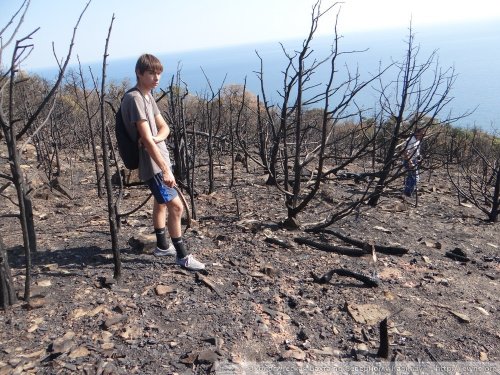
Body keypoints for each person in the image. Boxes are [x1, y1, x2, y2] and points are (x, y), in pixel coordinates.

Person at [121, 54, 205, 271]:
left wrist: (156, 138)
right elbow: (145, 139)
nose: (156, 77)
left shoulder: (147, 96)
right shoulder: (135, 99)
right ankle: (182, 256)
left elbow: (164, 128)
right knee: (176, 207)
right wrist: (165, 168)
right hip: (153, 164)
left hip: (160, 157)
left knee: (161, 203)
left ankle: (161, 245)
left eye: (158, 73)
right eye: (151, 73)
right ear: (139, 73)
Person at [402, 128, 424, 198]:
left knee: (413, 177)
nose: (423, 134)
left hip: (414, 160)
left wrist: (419, 158)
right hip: (409, 160)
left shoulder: (417, 141)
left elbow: (416, 152)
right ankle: (408, 192)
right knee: (413, 177)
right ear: (417, 132)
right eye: (421, 133)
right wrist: (410, 162)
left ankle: (409, 191)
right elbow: (406, 152)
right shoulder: (410, 140)